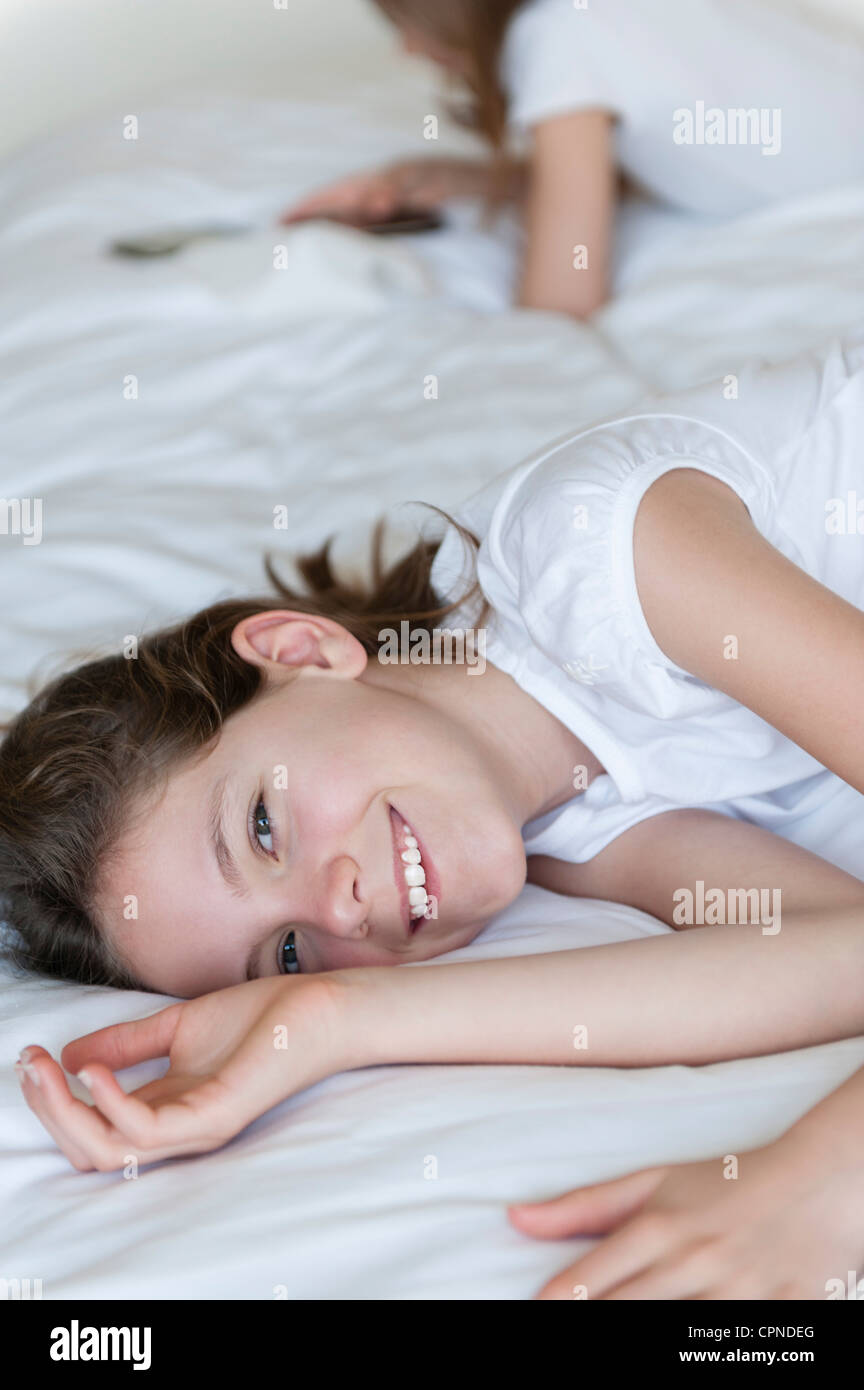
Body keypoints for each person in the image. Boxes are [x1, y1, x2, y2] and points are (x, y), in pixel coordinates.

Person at [5, 338, 864, 1299]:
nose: (338, 913)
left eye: (260, 829)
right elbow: (848, 956)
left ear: (300, 649)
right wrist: (332, 1021)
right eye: (286, 952)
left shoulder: (601, 553)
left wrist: (827, 1182)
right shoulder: (566, 835)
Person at [280, 0, 864, 316]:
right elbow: (657, 159)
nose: (406, 48)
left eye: (402, 20)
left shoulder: (557, 36)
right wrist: (467, 181)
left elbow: (562, 300)